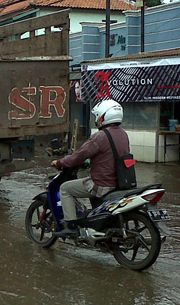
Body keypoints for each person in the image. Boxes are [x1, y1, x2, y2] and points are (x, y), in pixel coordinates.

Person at [51, 99, 131, 237]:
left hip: (102, 184)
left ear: (103, 116)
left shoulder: (100, 136)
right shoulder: (123, 134)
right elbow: (108, 155)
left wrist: (60, 162)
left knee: (65, 188)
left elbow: (78, 156)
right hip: (119, 182)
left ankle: (71, 227)